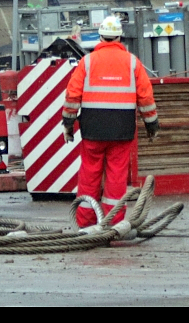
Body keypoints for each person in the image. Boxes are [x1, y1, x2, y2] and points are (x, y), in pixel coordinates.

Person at [61, 15, 159, 227]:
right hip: (122, 130)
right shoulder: (132, 62)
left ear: (101, 37)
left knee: (89, 175)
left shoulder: (87, 62)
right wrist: (152, 125)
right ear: (119, 38)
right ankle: (114, 225)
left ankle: (86, 225)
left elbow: (72, 95)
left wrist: (68, 124)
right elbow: (145, 97)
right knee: (116, 178)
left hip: (93, 129)